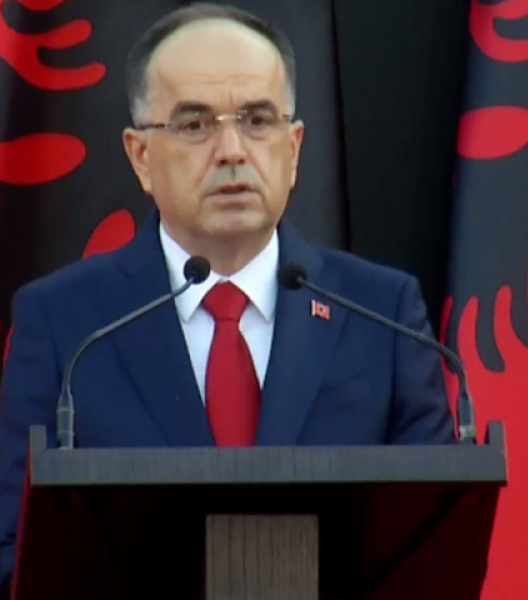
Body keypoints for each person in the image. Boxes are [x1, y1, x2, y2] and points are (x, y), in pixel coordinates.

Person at [0, 2, 456, 593]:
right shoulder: (66, 324)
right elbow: (12, 551)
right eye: (195, 124)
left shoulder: (383, 315)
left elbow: (437, 551)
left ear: (294, 148)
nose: (233, 150)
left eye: (258, 120)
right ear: (141, 156)